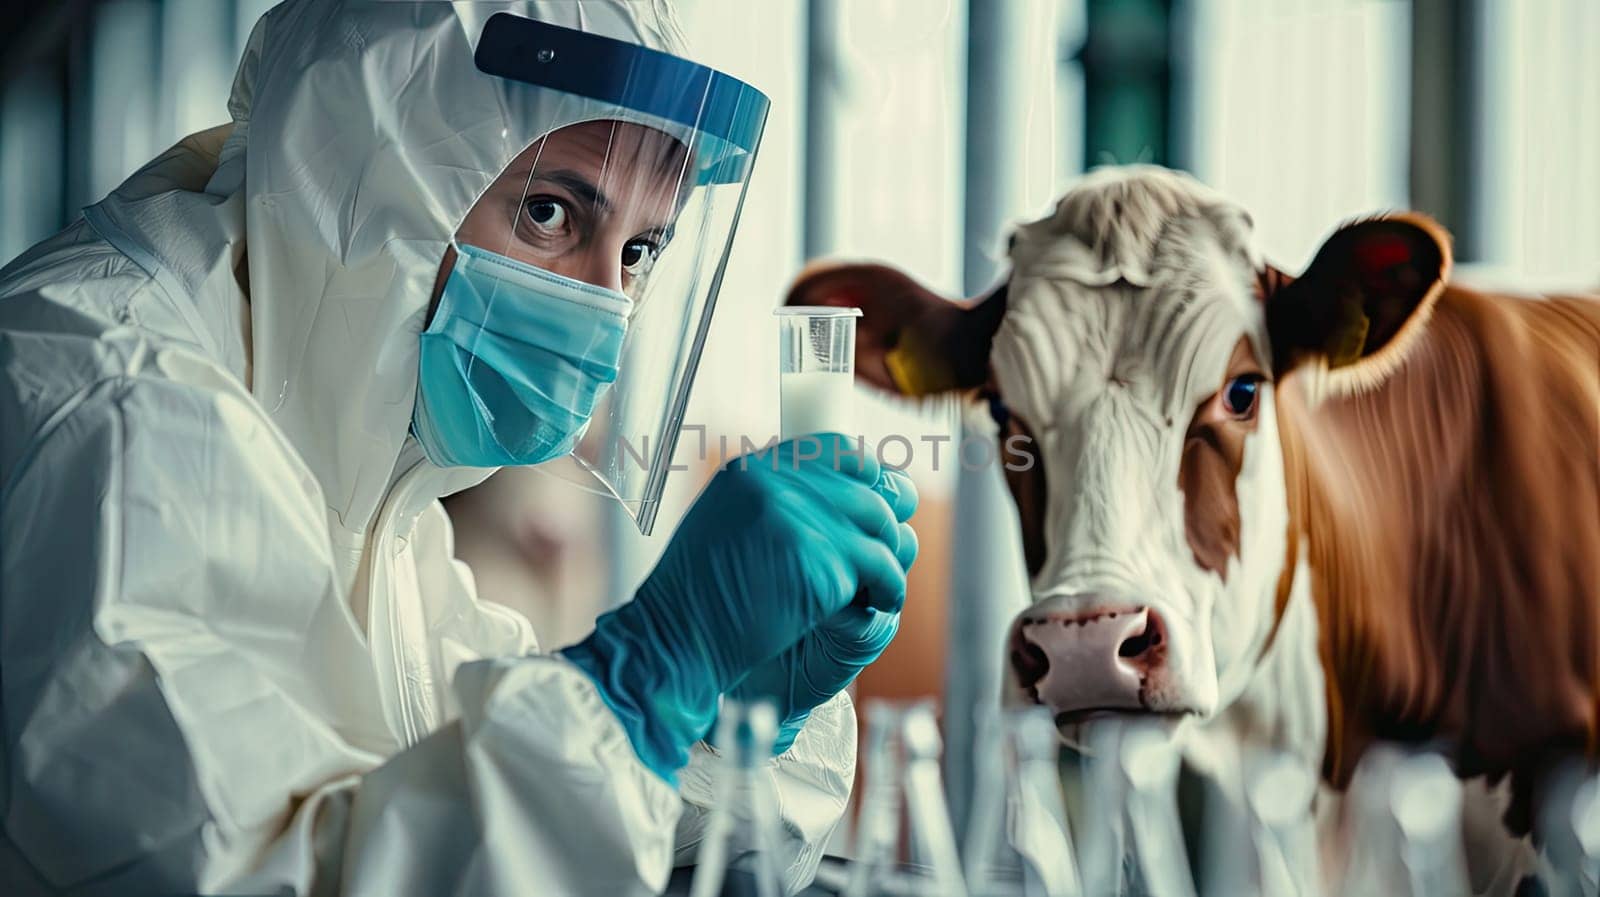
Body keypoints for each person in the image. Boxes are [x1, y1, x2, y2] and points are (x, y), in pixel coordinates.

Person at [0, 2, 916, 895]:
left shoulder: (352, 483)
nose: (604, 307)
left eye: (638, 250)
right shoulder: (114, 421)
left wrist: (722, 720)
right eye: (552, 215)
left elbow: (449, 806)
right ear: (366, 174)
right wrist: (646, 680)